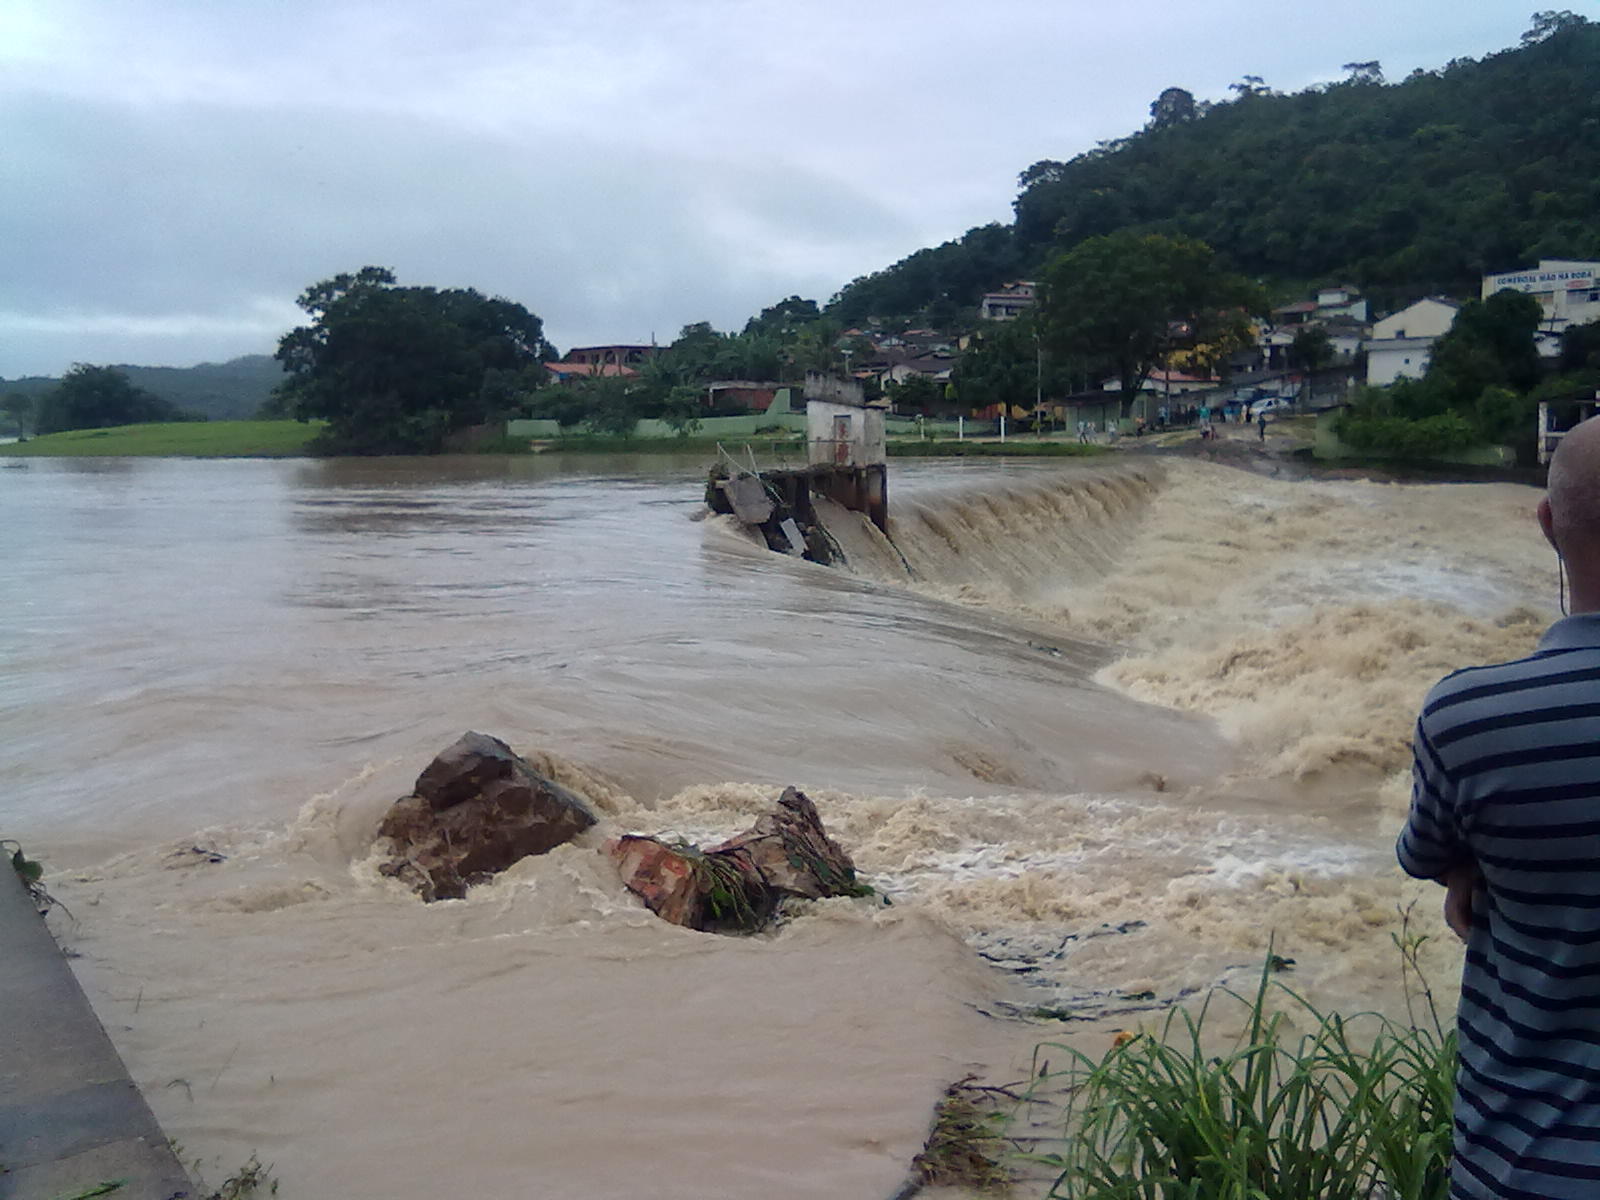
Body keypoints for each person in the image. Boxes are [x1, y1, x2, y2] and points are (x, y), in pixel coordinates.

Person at [1397, 415, 1600, 1199]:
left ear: (1547, 525)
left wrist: (1476, 871)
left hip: (1525, 1170)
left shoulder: (1471, 716)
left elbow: (1429, 854)